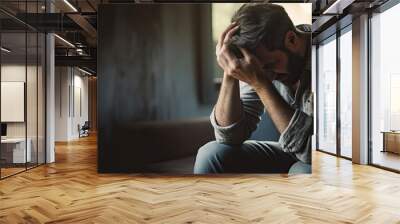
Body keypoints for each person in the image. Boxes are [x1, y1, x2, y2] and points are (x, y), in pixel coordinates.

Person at [193, 3, 313, 174]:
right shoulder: (260, 62)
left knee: (301, 170)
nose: (269, 77)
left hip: (320, 156)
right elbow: (229, 137)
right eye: (260, 72)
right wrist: (230, 72)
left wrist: (261, 83)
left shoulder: (329, 49)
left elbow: (312, 152)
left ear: (291, 40)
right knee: (211, 154)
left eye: (271, 65)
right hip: (291, 150)